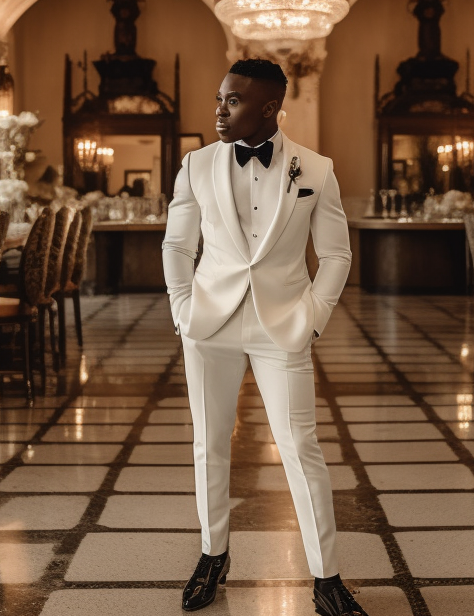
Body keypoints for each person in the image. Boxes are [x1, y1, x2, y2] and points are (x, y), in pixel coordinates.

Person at [162, 58, 361, 615]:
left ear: (269, 106)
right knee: (210, 443)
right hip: (210, 324)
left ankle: (327, 578)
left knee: (301, 448)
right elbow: (177, 247)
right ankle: (212, 554)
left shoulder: (316, 170)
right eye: (221, 97)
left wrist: (312, 316)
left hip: (284, 328)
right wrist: (182, 310)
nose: (219, 110)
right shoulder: (196, 165)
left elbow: (337, 255)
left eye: (233, 100)